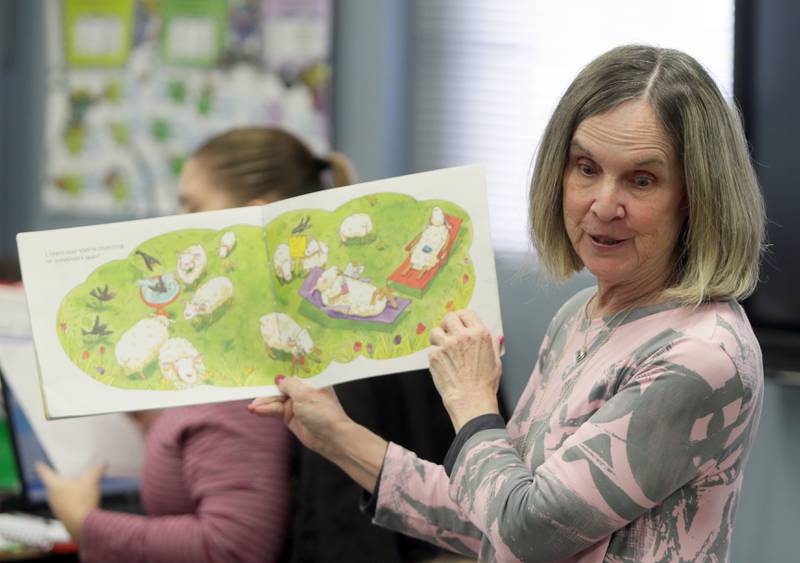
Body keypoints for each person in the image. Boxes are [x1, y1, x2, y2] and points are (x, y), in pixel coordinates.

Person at [250, 44, 766, 562]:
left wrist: (473, 400)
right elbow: (489, 506)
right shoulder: (580, 316)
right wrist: (336, 435)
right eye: (586, 168)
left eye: (642, 179)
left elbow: (526, 530)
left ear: (697, 197)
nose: (604, 205)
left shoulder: (701, 353)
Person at [34, 127, 351, 563]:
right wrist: (161, 422)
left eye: (191, 205)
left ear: (248, 215)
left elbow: (234, 546)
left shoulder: (242, 368)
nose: (177, 221)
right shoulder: (258, 338)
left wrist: (86, 523)